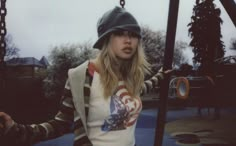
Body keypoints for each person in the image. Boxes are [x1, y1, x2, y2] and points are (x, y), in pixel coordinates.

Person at [0, 6, 170, 146]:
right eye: (120, 33)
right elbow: (60, 124)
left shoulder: (131, 76)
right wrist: (16, 130)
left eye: (133, 34)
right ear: (106, 39)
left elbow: (143, 87)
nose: (128, 40)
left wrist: (161, 75)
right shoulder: (82, 76)